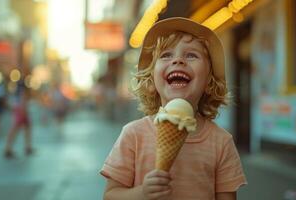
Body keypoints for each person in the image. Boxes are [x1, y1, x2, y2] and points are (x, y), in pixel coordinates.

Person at [100, 17, 247, 200]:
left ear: (209, 83)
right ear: (151, 82)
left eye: (191, 55)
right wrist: (142, 193)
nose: (178, 60)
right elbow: (111, 195)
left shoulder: (221, 142)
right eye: (166, 55)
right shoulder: (133, 135)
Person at [4, 86, 33, 158]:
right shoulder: (22, 85)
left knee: (25, 129)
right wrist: (24, 111)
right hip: (21, 110)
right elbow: (22, 99)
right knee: (15, 129)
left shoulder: (21, 85)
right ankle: (8, 149)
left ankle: (27, 147)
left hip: (20, 110)